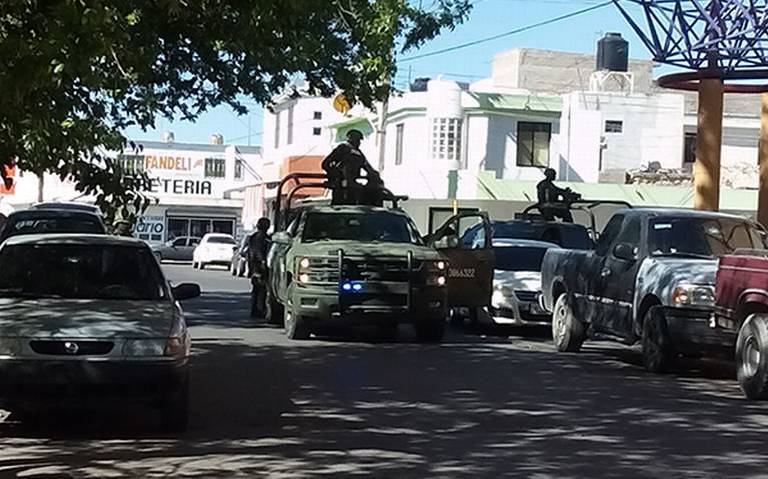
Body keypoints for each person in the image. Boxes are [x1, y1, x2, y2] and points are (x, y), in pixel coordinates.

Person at [322, 129, 379, 205]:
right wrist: (335, 174)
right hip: (340, 185)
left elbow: (367, 167)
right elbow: (325, 164)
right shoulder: (342, 148)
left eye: (359, 140)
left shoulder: (359, 153)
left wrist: (374, 175)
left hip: (353, 185)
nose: (358, 142)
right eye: (357, 139)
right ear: (350, 138)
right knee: (339, 206)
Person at [248, 217, 271, 319]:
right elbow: (257, 251)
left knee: (257, 289)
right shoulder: (261, 237)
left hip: (254, 266)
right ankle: (259, 310)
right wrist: (262, 262)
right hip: (258, 267)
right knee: (261, 289)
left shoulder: (254, 237)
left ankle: (256, 309)